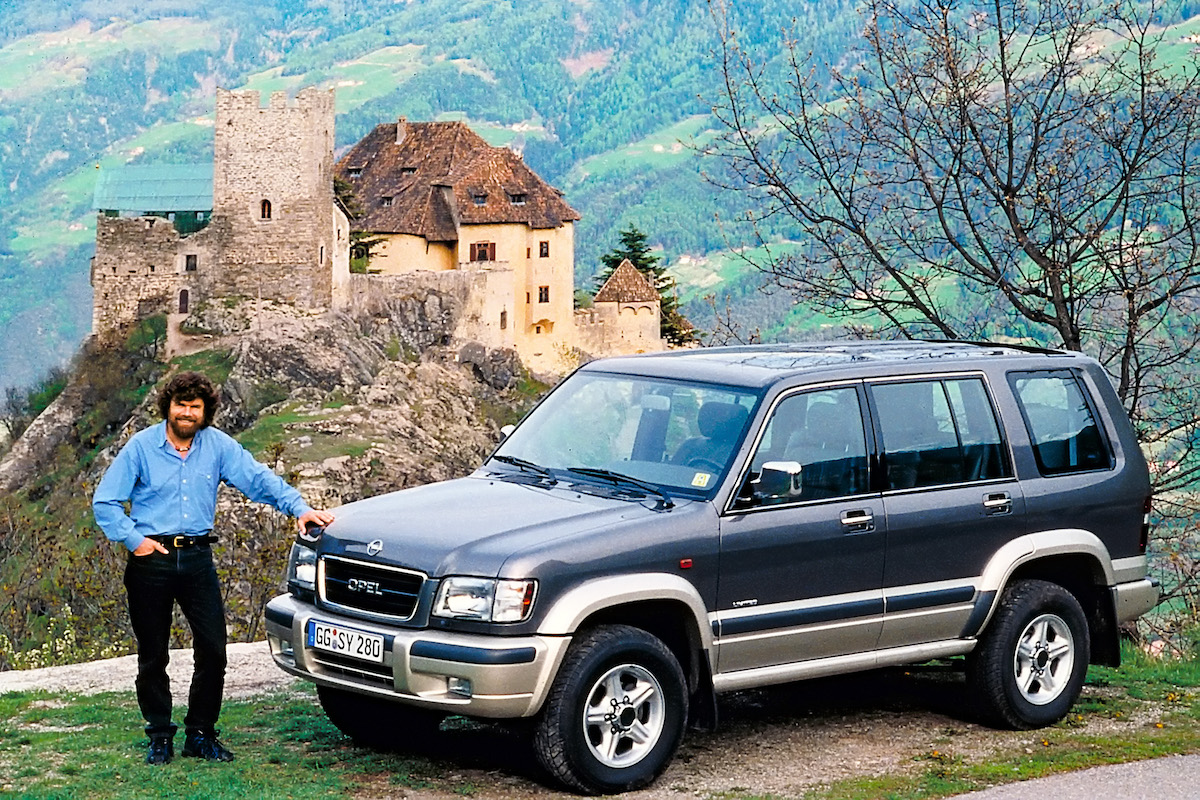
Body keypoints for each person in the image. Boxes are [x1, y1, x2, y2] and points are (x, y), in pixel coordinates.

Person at [92, 371, 334, 765]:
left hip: (198, 559)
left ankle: (201, 734)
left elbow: (258, 480)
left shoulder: (217, 446)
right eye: (180, 405)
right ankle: (159, 735)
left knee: (214, 650)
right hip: (151, 559)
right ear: (168, 407)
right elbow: (106, 502)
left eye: (195, 407)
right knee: (153, 653)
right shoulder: (141, 448)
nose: (187, 413)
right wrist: (135, 542)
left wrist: (300, 508)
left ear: (205, 412)